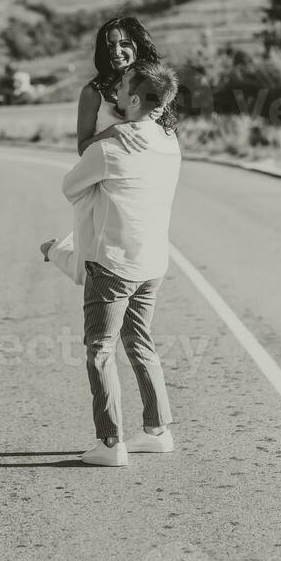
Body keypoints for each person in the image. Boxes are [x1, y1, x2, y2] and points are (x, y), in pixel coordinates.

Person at [60, 60, 182, 467]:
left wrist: (107, 135)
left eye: (124, 85)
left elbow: (70, 186)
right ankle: (157, 430)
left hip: (114, 263)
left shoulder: (108, 149)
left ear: (131, 98)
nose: (116, 90)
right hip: (152, 262)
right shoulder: (171, 143)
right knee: (140, 342)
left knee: (100, 350)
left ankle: (110, 443)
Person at [39, 16, 175, 284]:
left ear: (138, 46)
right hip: (104, 186)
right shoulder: (93, 92)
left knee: (138, 258)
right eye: (109, 45)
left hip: (139, 190)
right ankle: (54, 250)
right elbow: (83, 146)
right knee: (88, 268)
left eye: (124, 43)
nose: (115, 51)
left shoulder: (153, 85)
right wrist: (112, 132)